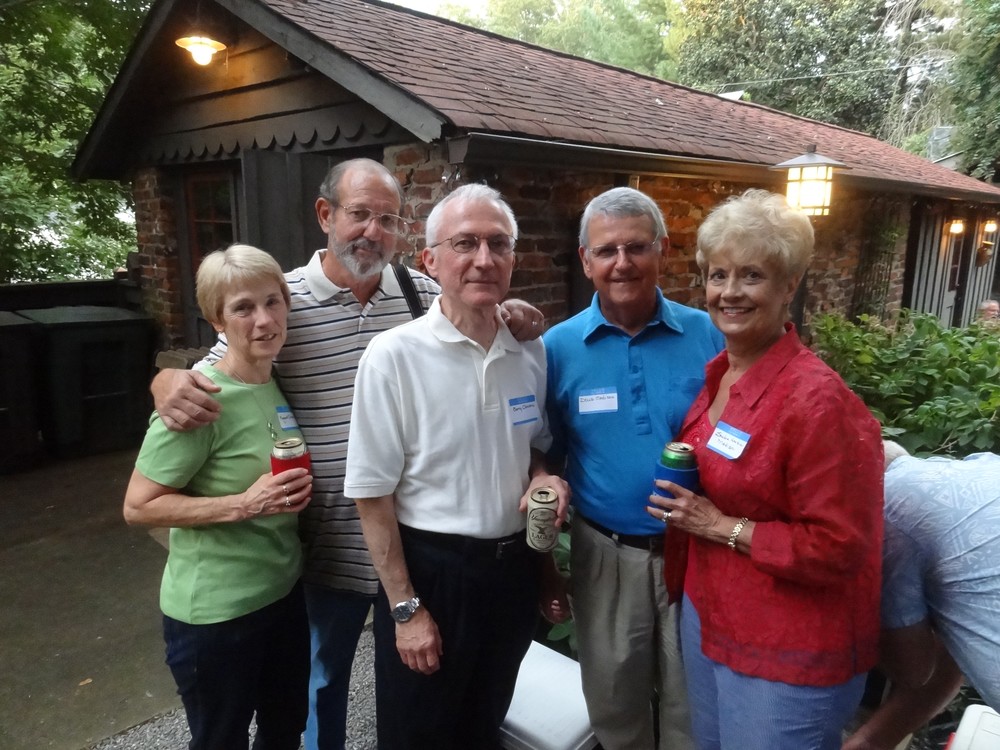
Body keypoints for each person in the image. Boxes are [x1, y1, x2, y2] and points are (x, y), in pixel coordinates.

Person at [149, 159, 543, 750]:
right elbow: (215, 373)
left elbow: (473, 302)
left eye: (388, 219)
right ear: (325, 215)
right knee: (322, 684)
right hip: (328, 542)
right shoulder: (281, 301)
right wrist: (162, 382)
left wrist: (513, 312)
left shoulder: (417, 292)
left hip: (412, 544)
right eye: (359, 214)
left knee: (412, 686)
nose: (373, 232)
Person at [646, 189, 884, 750]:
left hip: (786, 646)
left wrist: (718, 525)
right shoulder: (721, 375)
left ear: (788, 285)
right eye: (718, 275)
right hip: (711, 618)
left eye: (751, 275)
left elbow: (841, 545)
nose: (729, 292)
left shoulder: (817, 401)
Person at [345, 183, 570, 750]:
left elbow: (530, 449)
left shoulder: (530, 351)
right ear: (430, 260)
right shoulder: (394, 356)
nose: (483, 259)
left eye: (499, 244)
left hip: (510, 574)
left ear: (513, 259)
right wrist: (405, 610)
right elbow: (371, 496)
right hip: (434, 574)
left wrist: (542, 478)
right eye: (465, 243)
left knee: (486, 722)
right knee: (418, 733)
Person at [543, 186, 723, 750]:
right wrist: (544, 561)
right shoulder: (557, 348)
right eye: (607, 250)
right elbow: (543, 456)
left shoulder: (710, 334)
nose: (622, 263)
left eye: (637, 247)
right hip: (606, 553)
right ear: (586, 260)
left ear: (662, 250)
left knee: (694, 704)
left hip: (698, 552)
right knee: (614, 700)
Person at [124, 244, 313, 750]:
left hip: (282, 596)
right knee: (220, 740)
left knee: (285, 729)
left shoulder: (273, 381)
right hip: (215, 615)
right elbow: (138, 506)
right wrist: (243, 504)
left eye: (272, 302)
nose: (264, 320)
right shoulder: (198, 400)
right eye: (242, 308)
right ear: (216, 321)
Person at [842, 443, 1000, 750]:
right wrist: (873, 741)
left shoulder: (890, 510)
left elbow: (913, 670)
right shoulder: (984, 468)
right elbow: (953, 651)